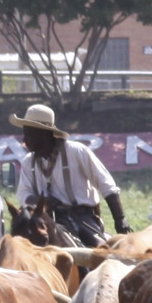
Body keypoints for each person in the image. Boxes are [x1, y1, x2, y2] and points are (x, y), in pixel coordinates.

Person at [10, 102, 132, 247]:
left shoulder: (76, 151)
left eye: (29, 134)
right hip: (44, 220)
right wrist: (42, 201)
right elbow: (24, 194)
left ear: (44, 133)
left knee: (98, 249)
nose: (24, 140)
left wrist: (120, 218)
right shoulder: (28, 162)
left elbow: (106, 185)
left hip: (81, 218)